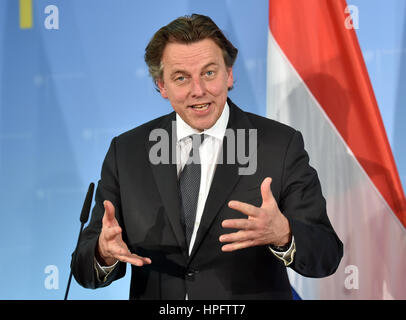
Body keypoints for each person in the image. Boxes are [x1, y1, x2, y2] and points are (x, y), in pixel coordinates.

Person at [71, 14, 343, 300]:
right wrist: (102, 253)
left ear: (230, 74)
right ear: (162, 86)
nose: (198, 90)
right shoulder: (127, 152)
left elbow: (327, 254)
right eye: (181, 78)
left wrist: (284, 235)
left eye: (209, 73)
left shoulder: (279, 145)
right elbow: (83, 270)